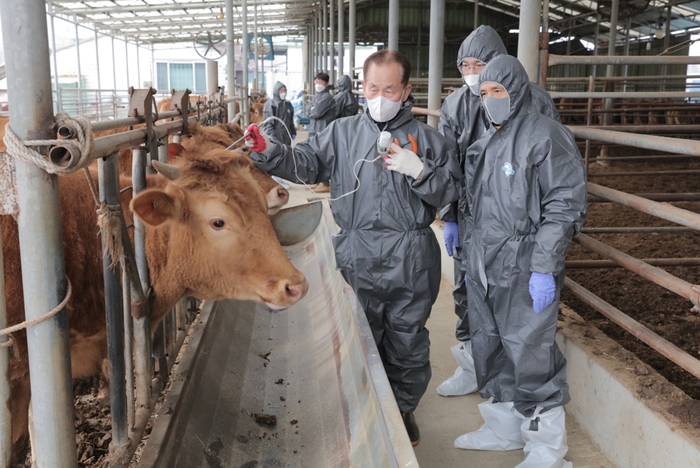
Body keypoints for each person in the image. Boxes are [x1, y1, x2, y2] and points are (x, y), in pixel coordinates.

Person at [245, 50, 462, 447]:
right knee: (360, 334)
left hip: (409, 253)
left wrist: (421, 171)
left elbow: (452, 193)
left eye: (390, 88)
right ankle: (365, 407)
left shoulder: (429, 141)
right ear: (363, 88)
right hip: (357, 247)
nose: (381, 96)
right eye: (373, 87)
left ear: (406, 91)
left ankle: (403, 408)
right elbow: (304, 164)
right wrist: (269, 152)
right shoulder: (341, 133)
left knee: (407, 338)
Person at [454, 54, 586, 468]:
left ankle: (547, 451)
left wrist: (544, 266)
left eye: (500, 91)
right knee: (491, 347)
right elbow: (474, 203)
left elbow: (564, 204)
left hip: (525, 262)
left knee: (530, 353)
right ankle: (503, 429)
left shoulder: (545, 135)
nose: (491, 99)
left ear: (518, 92)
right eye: (486, 92)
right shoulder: (487, 141)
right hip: (485, 265)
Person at [436, 24, 561, 398]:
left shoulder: (534, 103)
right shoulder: (456, 104)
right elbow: (448, 162)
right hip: (474, 219)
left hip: (517, 224)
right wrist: (451, 215)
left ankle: (519, 398)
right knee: (468, 294)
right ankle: (474, 366)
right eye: (466, 66)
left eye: (481, 64)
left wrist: (543, 246)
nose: (473, 74)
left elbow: (554, 176)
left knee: (517, 309)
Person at [262, 81, 297, 145]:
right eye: (281, 91)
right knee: (277, 154)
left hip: (287, 137)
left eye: (285, 91)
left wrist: (293, 132)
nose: (283, 93)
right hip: (275, 137)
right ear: (276, 92)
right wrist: (271, 135)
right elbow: (268, 123)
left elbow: (290, 121)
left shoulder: (288, 104)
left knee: (287, 152)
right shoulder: (270, 105)